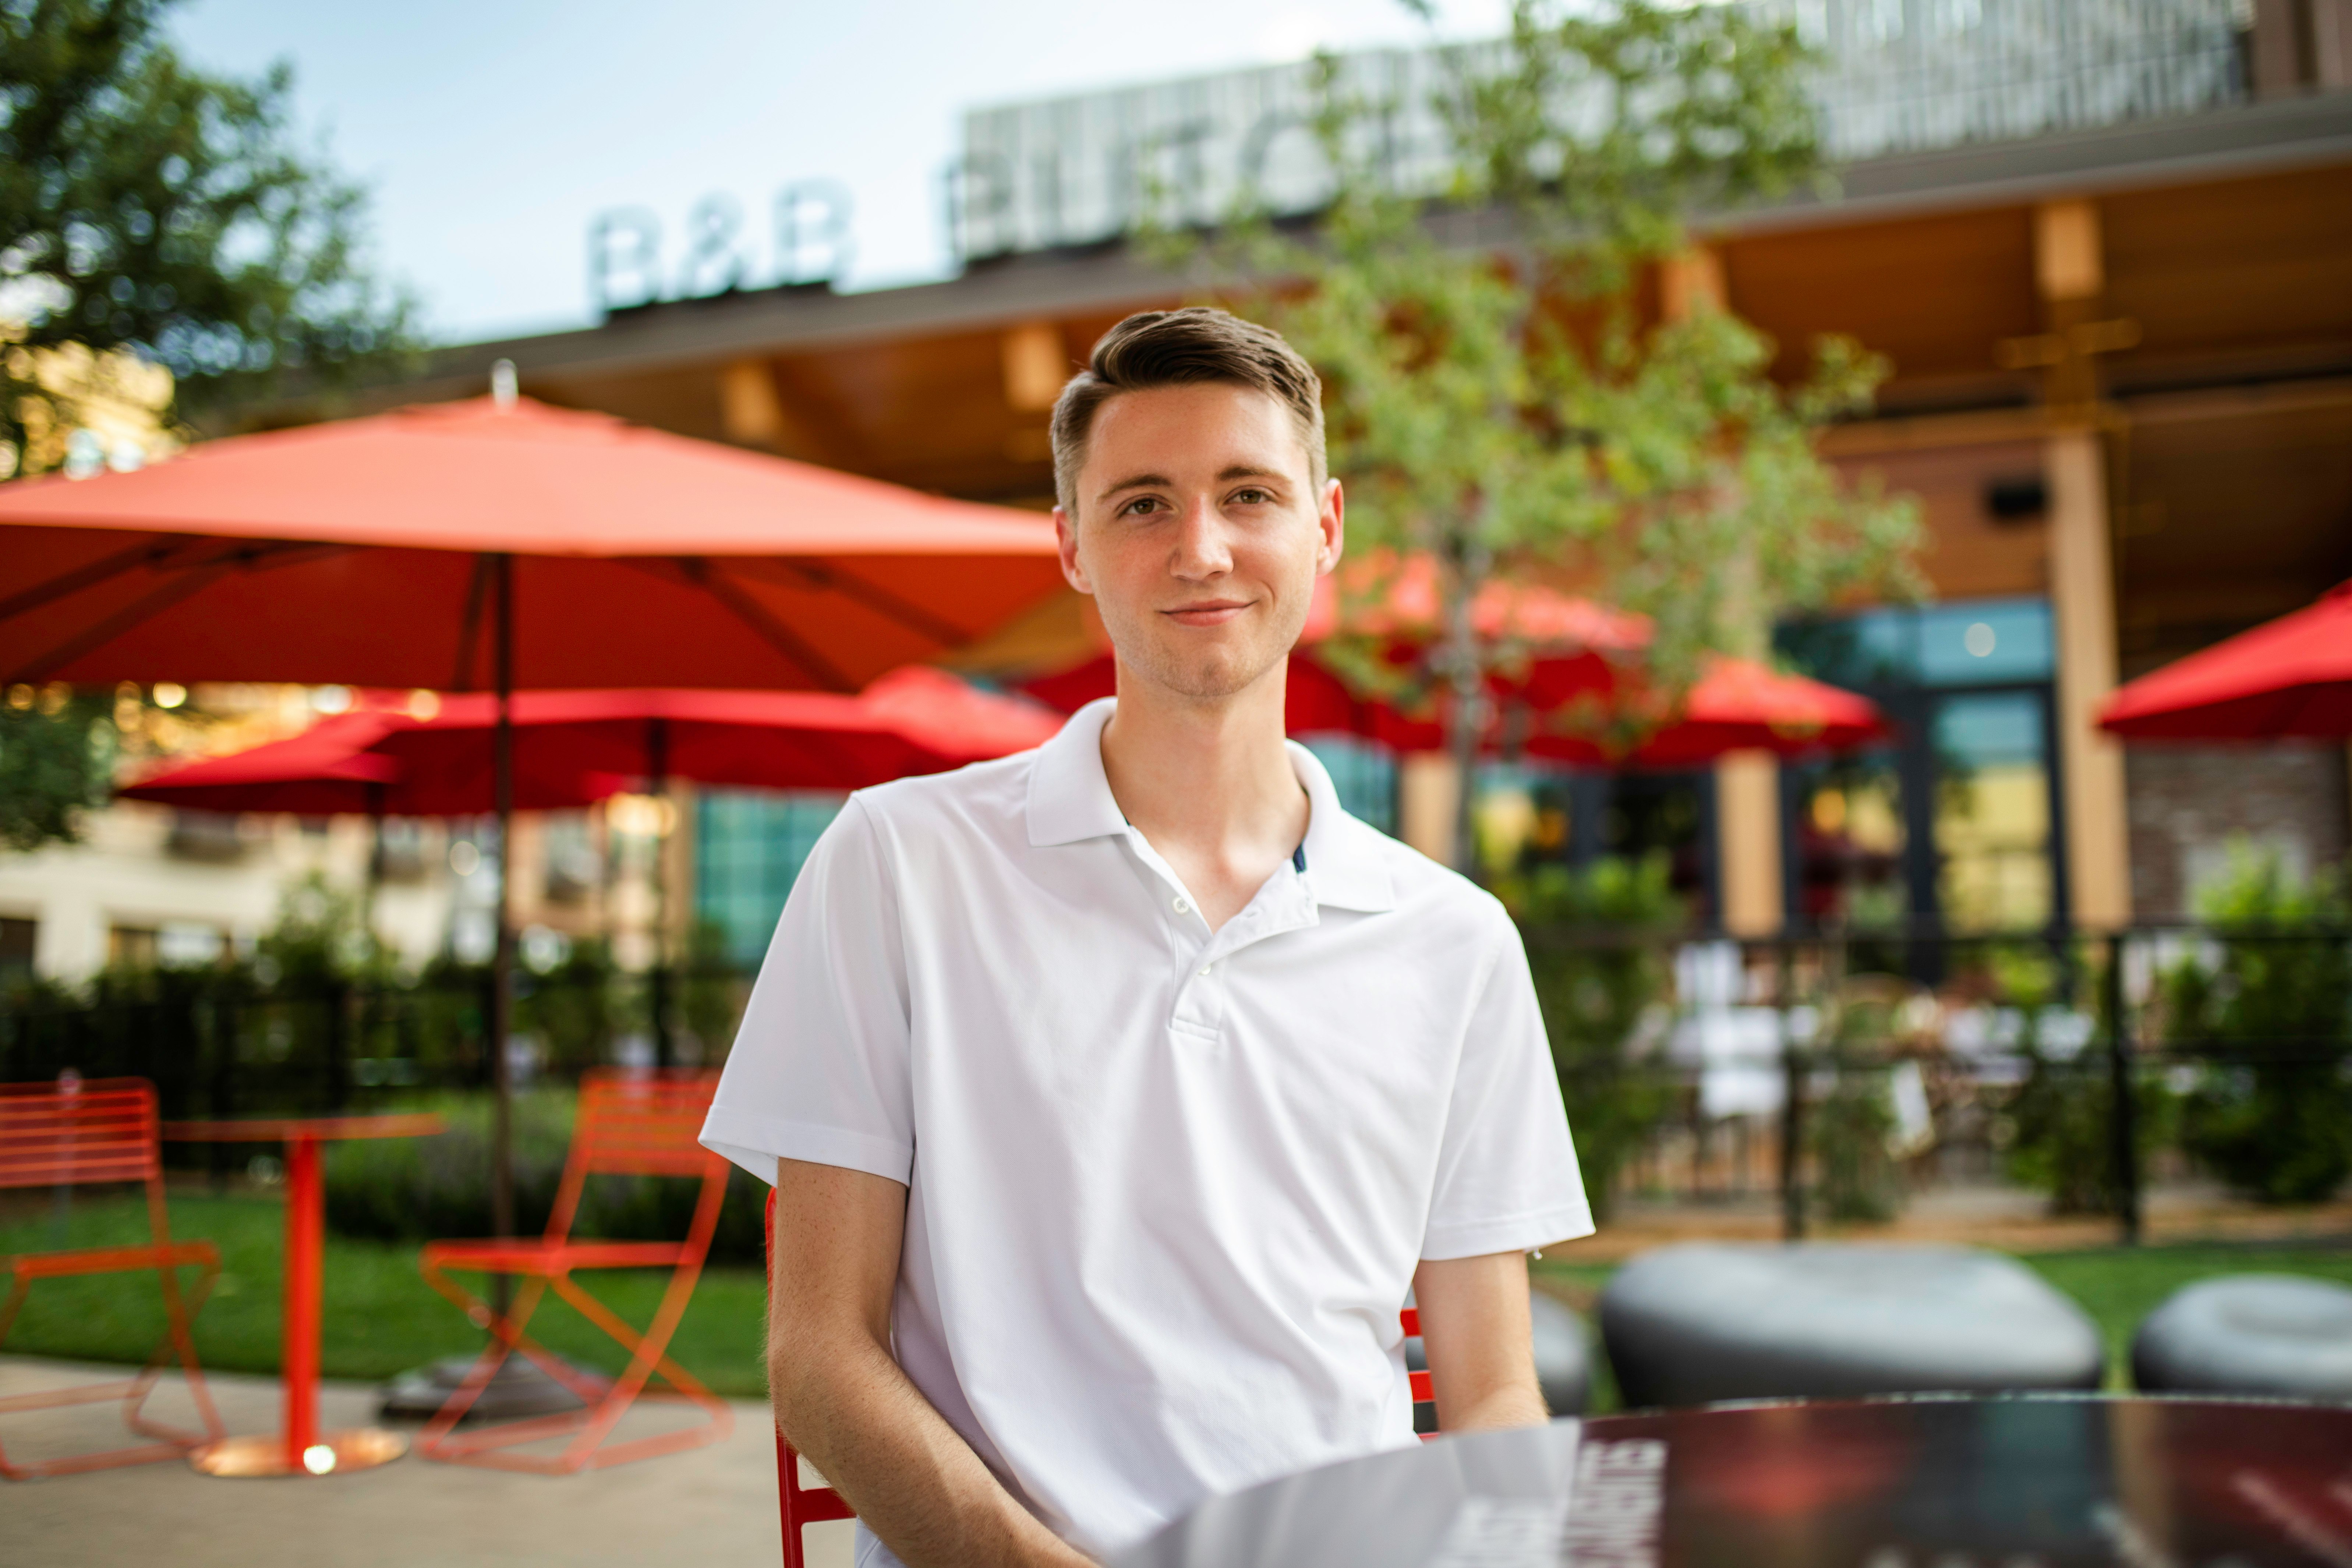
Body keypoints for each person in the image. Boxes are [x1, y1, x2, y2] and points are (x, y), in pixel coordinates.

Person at [701, 307, 1591, 1568]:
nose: (1203, 549)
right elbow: (818, 1358)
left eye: (1248, 494)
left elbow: (1495, 1392)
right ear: (1071, 545)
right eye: (1142, 505)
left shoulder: (1457, 941)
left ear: (1324, 526)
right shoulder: (898, 862)